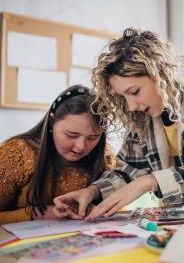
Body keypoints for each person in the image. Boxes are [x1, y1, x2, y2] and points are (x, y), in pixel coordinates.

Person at [54, 28, 184, 220]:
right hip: (177, 219)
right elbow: (129, 168)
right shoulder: (142, 115)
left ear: (160, 74)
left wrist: (150, 181)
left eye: (134, 92)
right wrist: (93, 191)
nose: (131, 106)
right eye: (123, 96)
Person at [0, 85, 115, 224]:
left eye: (92, 137)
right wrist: (37, 214)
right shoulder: (16, 153)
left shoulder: (104, 157)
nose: (80, 146)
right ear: (51, 122)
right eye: (72, 135)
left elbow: (115, 210)